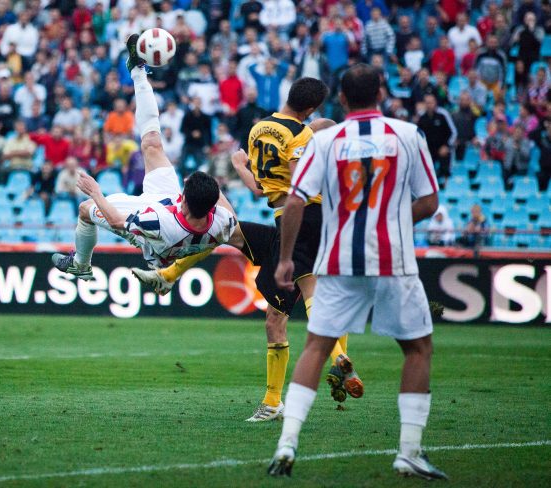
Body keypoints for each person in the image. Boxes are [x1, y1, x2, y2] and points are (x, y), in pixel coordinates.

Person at [133, 77, 364, 421]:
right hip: (303, 220)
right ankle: (168, 276)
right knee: (229, 233)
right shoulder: (302, 137)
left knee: (293, 302)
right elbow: (302, 183)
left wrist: (240, 166)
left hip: (293, 222)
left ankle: (320, 370)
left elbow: (259, 189)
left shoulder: (259, 131)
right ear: (310, 111)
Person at [267, 64, 446, 480]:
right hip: (393, 257)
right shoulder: (407, 135)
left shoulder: (324, 140)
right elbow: (430, 202)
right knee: (417, 349)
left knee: (315, 346)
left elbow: (293, 202)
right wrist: (392, 221)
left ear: (342, 100)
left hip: (337, 259)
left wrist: (286, 258)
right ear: (381, 93)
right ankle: (409, 451)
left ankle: (287, 442)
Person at [52, 34, 238, 278]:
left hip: (154, 236)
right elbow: (232, 219)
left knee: (86, 209)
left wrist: (96, 192)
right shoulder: (222, 222)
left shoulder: (157, 221)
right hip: (171, 207)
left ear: (184, 200)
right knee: (152, 144)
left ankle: (80, 263)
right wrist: (213, 188)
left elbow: (118, 222)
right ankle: (138, 71)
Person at [417, 94, 457, 183]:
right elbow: (418, 135)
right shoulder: (422, 118)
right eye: (427, 103)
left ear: (435, 103)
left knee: (445, 161)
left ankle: (447, 185)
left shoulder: (442, 115)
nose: (429, 105)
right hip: (428, 150)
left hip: (442, 149)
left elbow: (453, 132)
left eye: (431, 102)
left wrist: (446, 146)